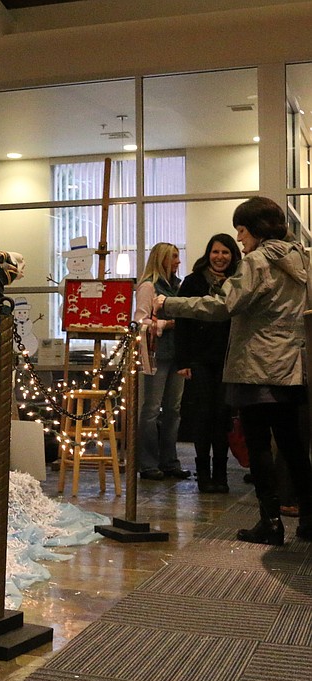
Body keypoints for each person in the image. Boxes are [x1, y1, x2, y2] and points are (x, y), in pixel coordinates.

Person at [157, 196, 312, 545]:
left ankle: (270, 522)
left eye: (241, 231)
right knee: (292, 445)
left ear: (255, 229)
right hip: (292, 365)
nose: (239, 239)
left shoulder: (257, 262)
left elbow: (223, 305)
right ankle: (309, 519)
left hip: (257, 366)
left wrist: (169, 304)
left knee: (258, 445)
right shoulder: (300, 257)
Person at [174, 234, 241, 493]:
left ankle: (221, 475)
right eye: (216, 251)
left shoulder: (238, 283)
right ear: (208, 253)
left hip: (228, 359)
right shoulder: (192, 282)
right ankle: (203, 475)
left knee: (222, 416)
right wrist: (183, 360)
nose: (220, 257)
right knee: (203, 416)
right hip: (199, 359)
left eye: (226, 252)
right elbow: (183, 322)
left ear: (233, 256)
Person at [134, 242, 189, 481]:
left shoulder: (179, 286)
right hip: (156, 354)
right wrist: (168, 324)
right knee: (152, 409)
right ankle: (147, 463)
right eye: (174, 257)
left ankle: (169, 460)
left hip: (177, 354)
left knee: (173, 410)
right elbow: (140, 322)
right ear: (163, 259)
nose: (178, 261)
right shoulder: (148, 287)